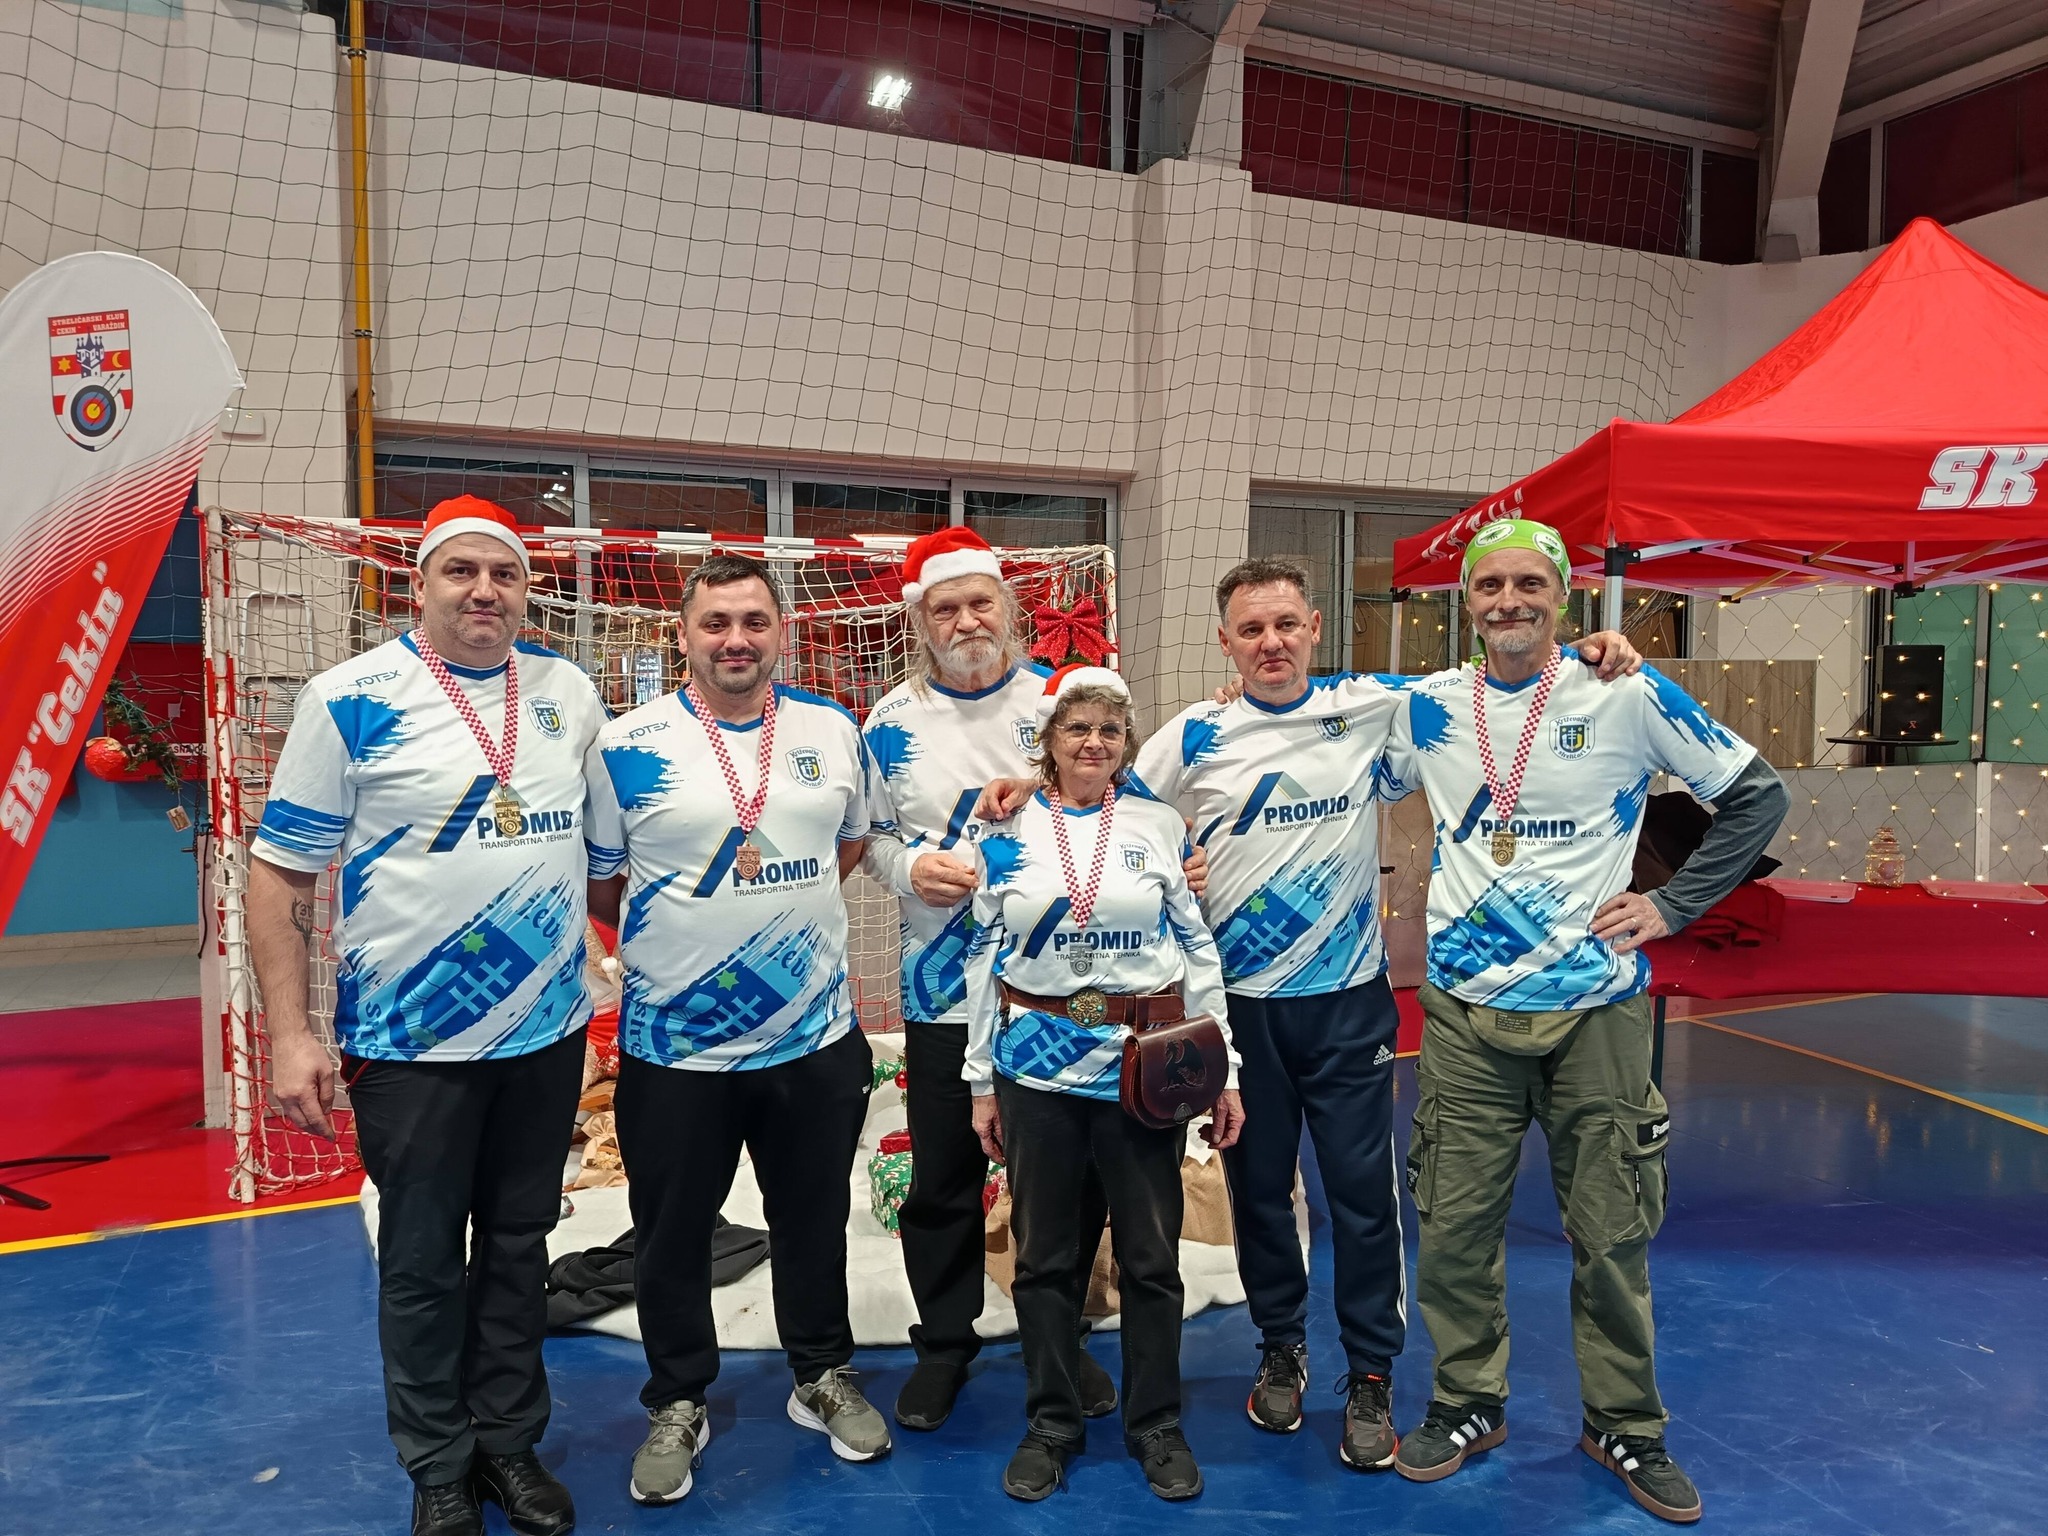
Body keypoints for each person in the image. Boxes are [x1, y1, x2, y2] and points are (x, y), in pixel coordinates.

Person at [1127, 556, 1642, 1471]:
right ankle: (1280, 1349)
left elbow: (1497, 678)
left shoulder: (1370, 707)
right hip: (1238, 1016)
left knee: (1364, 1199)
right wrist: (1171, 861)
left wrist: (1588, 652)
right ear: (1225, 643)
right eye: (1252, 630)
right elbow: (1112, 818)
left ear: (1316, 629)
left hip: (1348, 1006)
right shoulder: (1195, 733)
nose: (1272, 643)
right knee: (1260, 1195)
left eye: (1286, 625)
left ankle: (1370, 1373)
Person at [1382, 517, 1787, 1523]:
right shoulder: (1427, 705)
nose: (1508, 601)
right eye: (1489, 585)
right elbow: (1302, 732)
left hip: (1596, 1013)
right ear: (1465, 602)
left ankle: (1625, 1424)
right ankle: (1467, 1402)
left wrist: (1673, 905)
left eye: (1530, 583)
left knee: (1611, 1231)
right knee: (1453, 1225)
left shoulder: (1625, 692)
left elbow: (1755, 795)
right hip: (1466, 1017)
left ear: (1561, 598)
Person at [249, 496, 603, 1536]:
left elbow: (598, 850)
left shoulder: (568, 691)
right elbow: (280, 875)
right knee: (419, 1263)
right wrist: (291, 1034)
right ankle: (439, 1465)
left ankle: (509, 1445)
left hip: (545, 1035)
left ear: (527, 589)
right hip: (409, 1044)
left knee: (518, 1246)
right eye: (462, 571)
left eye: (504, 573)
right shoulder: (350, 698)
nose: (484, 590)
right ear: (418, 587)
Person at [585, 552, 894, 1506]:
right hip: (676, 1049)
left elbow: (850, 843)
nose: (736, 639)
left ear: (781, 633)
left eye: (754, 621)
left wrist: (773, 928)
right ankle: (678, 1398)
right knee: (671, 1232)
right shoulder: (625, 743)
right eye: (716, 622)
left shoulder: (832, 729)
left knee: (813, 1219)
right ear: (682, 634)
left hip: (813, 1039)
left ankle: (820, 1373)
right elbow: (602, 880)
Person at [858, 526, 1126, 1431]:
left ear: (1009, 610)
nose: (967, 621)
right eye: (947, 608)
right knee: (943, 1175)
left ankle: (1062, 1337)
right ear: (920, 621)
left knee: (1067, 1180)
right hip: (940, 993)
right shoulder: (888, 723)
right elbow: (870, 840)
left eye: (981, 602)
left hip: (1056, 990)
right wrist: (907, 869)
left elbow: (1129, 801)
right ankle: (945, 1344)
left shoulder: (1063, 702)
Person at [962, 664, 1246, 1504]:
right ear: (1048, 741)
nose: (1094, 743)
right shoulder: (1003, 829)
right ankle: (1052, 1422)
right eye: (1078, 728)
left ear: (1126, 744)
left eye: (1110, 730)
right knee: (1045, 1259)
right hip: (1035, 1072)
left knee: (1152, 1259)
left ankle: (1155, 1424)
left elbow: (1198, 951)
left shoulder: (1159, 826)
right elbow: (981, 959)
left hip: (1140, 1069)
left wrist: (1224, 1065)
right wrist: (980, 1081)